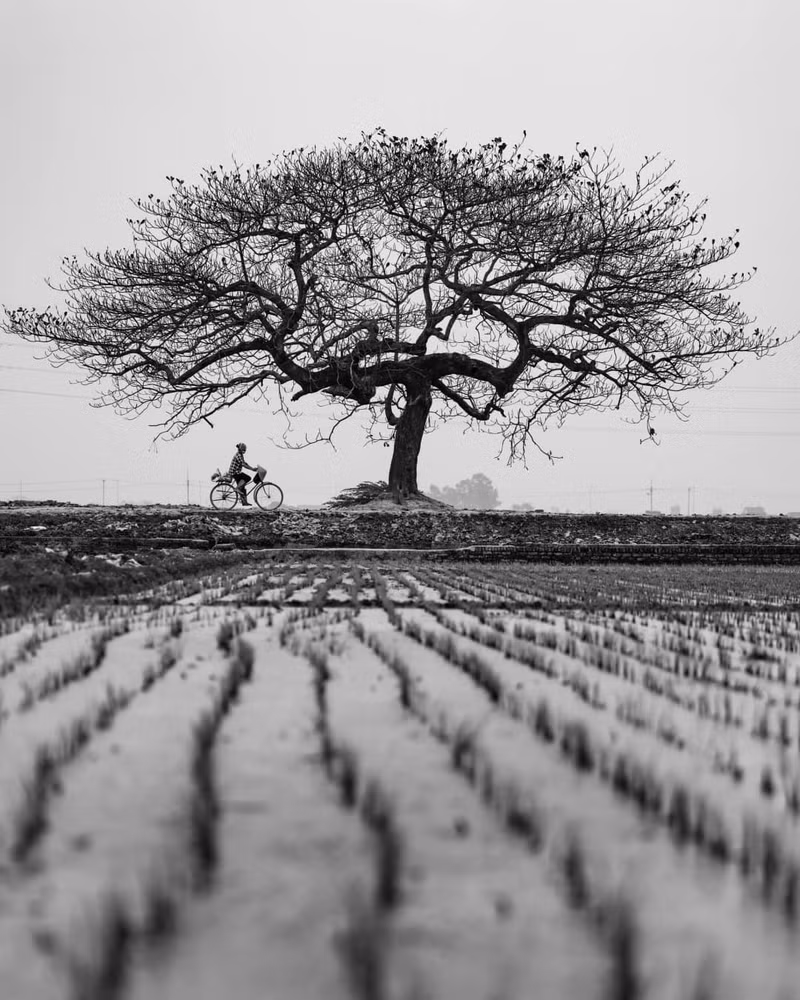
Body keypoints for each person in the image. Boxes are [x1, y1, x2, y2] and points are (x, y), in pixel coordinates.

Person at [228, 442, 258, 506]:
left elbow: (245, 463)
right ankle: (237, 488)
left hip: (236, 472)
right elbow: (243, 465)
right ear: (240, 449)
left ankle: (244, 502)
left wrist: (252, 468)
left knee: (243, 488)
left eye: (244, 450)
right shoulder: (238, 455)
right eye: (243, 449)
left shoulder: (240, 455)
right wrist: (252, 469)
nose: (244, 451)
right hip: (234, 472)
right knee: (248, 478)